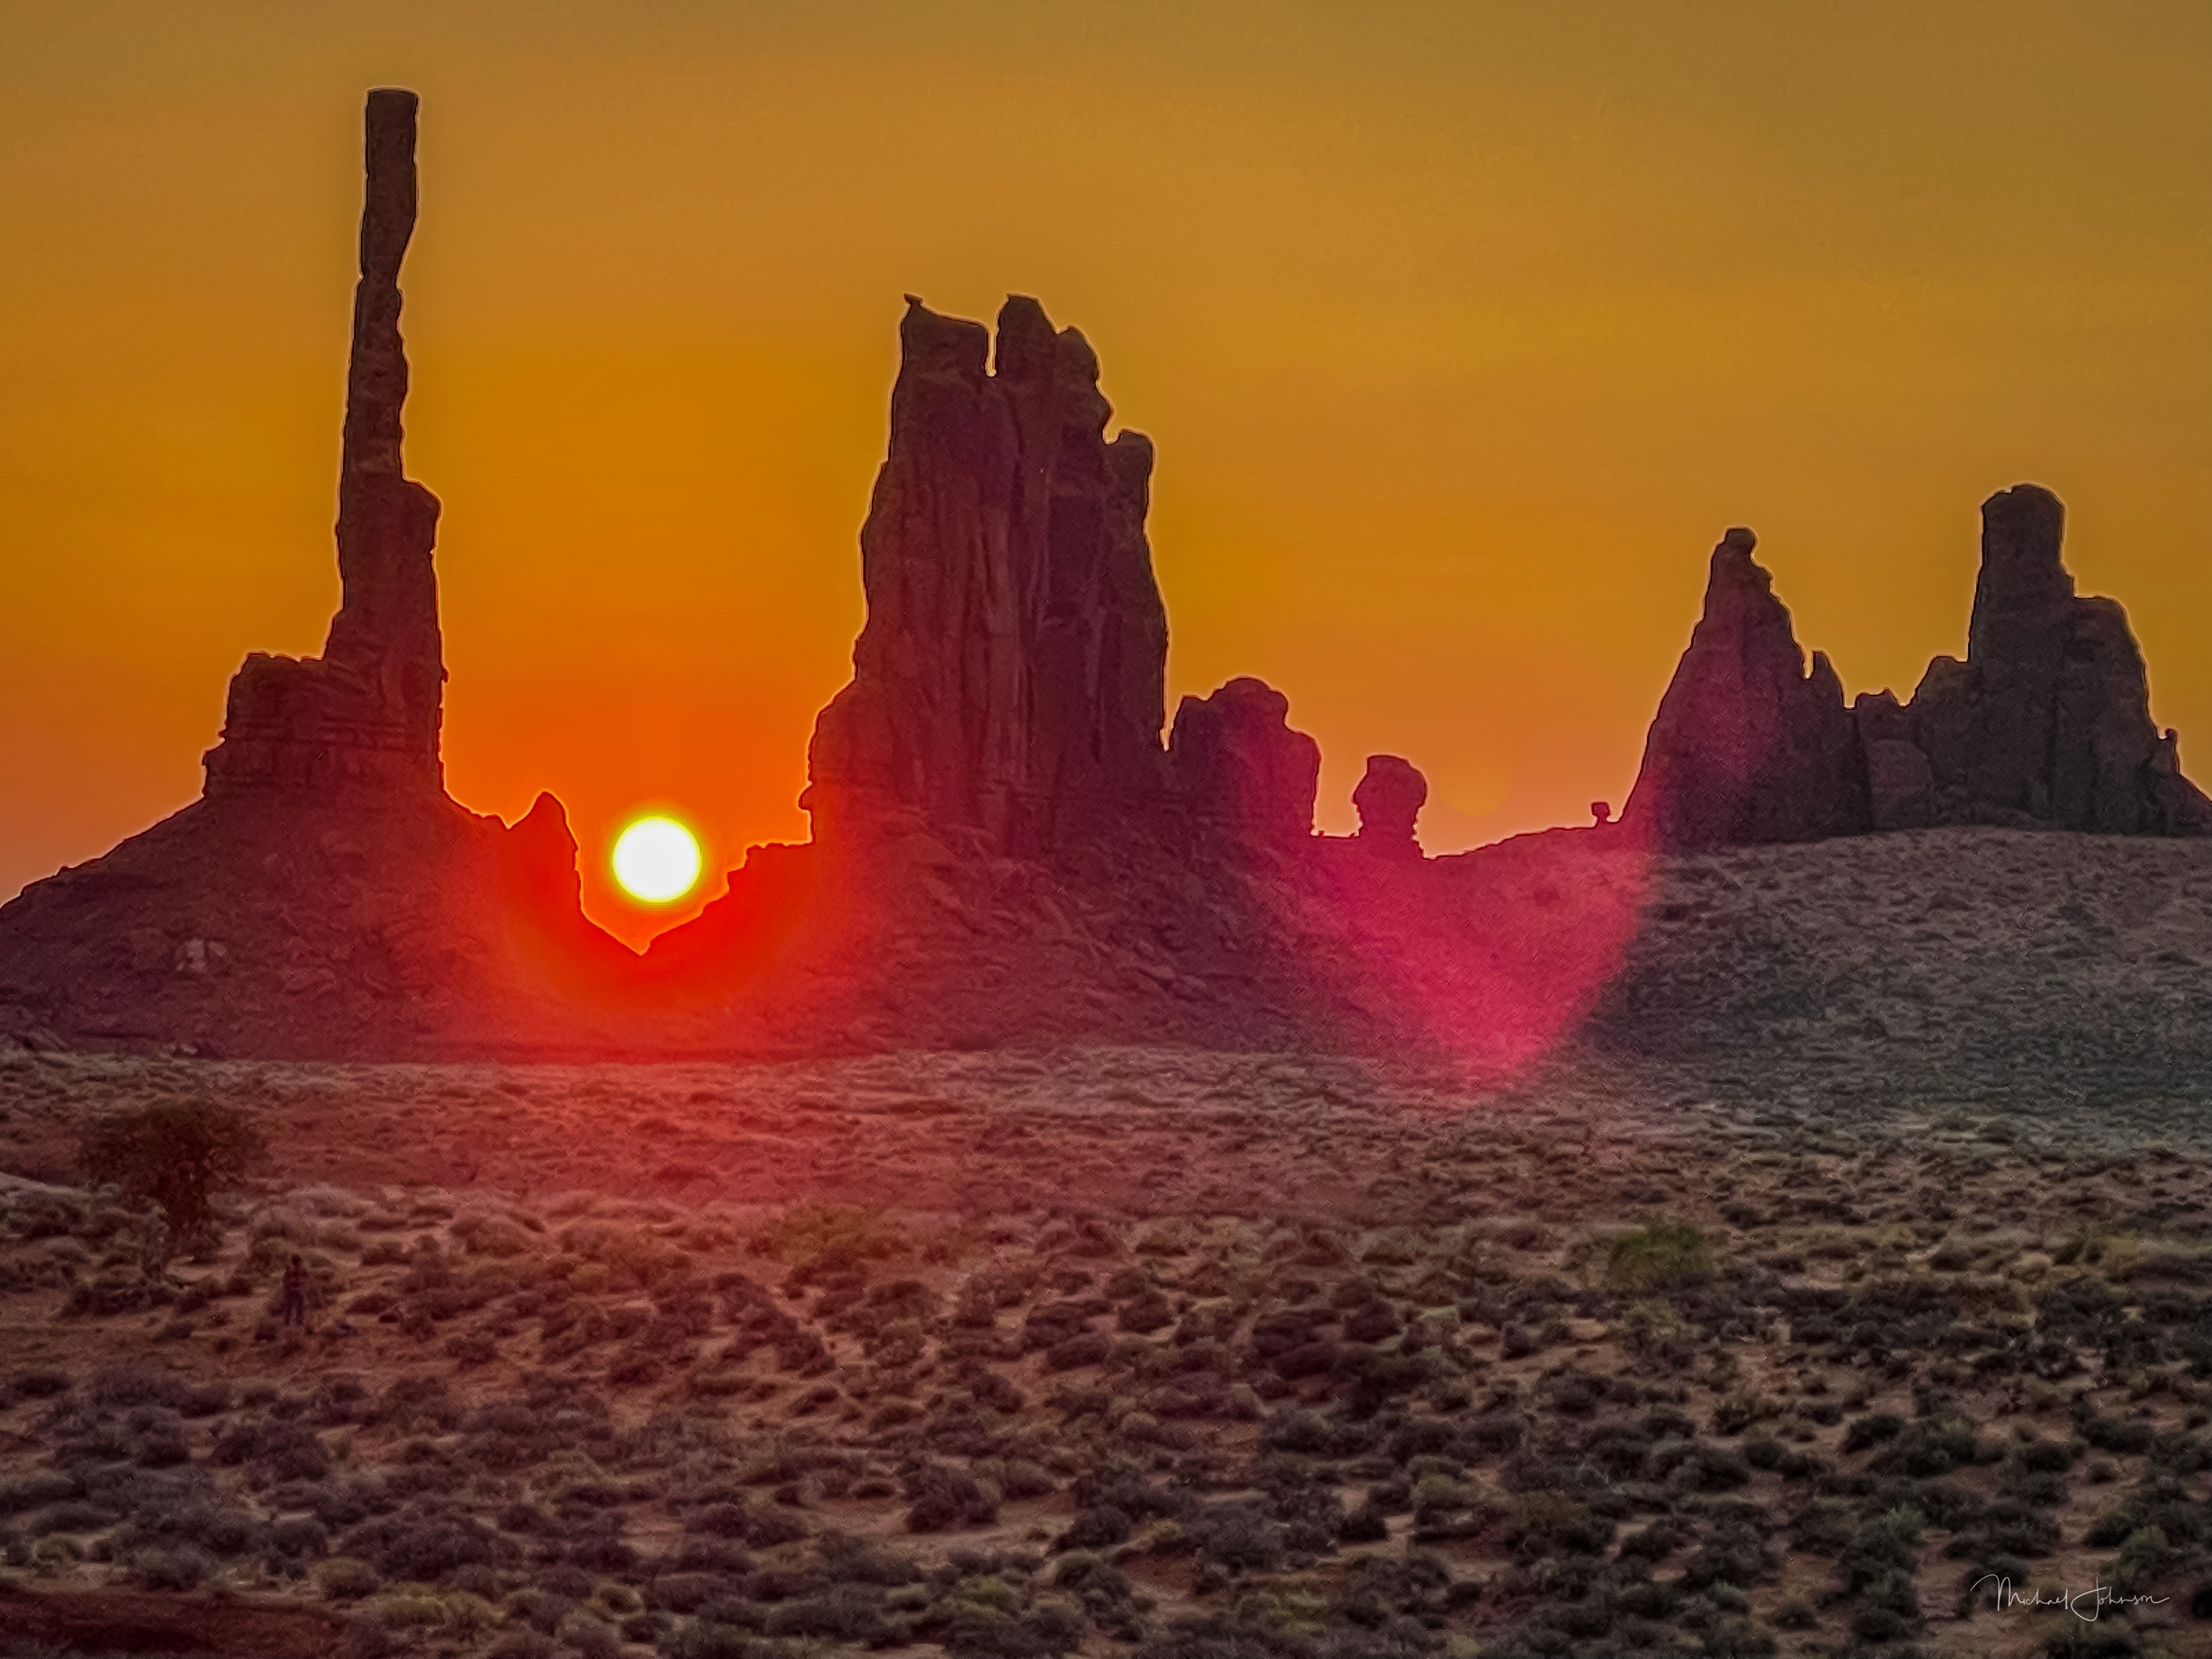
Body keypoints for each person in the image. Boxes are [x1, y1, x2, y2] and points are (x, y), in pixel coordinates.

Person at [279, 1254, 309, 1329]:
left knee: (300, 1307)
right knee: (289, 1308)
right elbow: (285, 1282)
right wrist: (293, 1289)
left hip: (299, 1291)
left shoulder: (303, 1270)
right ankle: (287, 1323)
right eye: (298, 1262)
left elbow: (306, 1280)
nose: (299, 1264)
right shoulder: (289, 1271)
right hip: (291, 1291)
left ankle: (299, 1322)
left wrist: (302, 1288)